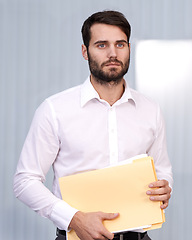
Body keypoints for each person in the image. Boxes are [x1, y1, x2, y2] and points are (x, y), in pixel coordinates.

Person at [13, 10, 173, 240]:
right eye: (101, 45)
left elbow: (162, 168)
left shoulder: (150, 110)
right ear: (84, 51)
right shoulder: (55, 110)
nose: (112, 53)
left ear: (129, 48)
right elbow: (25, 181)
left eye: (120, 44)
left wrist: (165, 187)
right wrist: (74, 218)